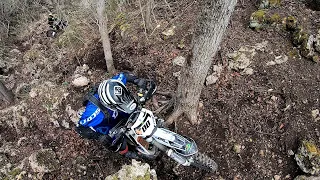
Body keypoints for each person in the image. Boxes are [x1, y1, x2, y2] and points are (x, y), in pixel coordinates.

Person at [75, 72, 148, 159]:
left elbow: (124, 76)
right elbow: (80, 128)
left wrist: (137, 80)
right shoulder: (93, 112)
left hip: (123, 109)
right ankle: (126, 152)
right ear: (109, 104)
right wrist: (99, 136)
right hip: (108, 123)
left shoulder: (113, 85)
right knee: (115, 142)